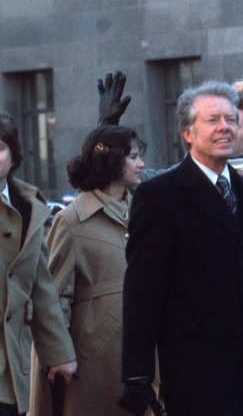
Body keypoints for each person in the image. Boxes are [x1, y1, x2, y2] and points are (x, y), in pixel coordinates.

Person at [118, 81, 243, 416]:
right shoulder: (161, 196)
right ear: (187, 133)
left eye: (231, 119)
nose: (224, 127)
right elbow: (142, 293)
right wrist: (137, 374)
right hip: (196, 373)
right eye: (212, 120)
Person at [30, 126, 151, 416]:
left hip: (147, 356)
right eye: (133, 157)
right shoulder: (71, 221)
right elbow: (53, 297)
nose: (142, 164)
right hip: (94, 363)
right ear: (112, 162)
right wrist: (59, 355)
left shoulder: (145, 211)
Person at [0, 112, 77, 416]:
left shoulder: (28, 205)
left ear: (13, 155)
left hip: (12, 362)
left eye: (0, 147)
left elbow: (41, 286)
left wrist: (59, 353)